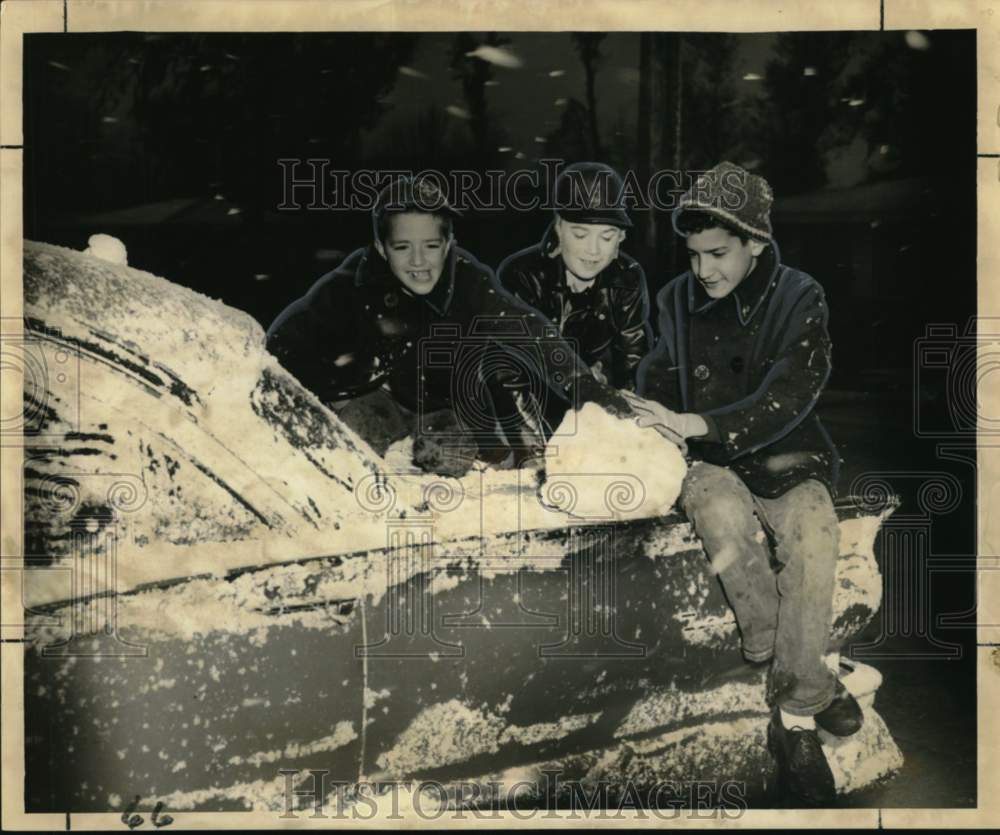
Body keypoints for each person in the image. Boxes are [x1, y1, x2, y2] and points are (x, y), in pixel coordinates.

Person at [627, 161, 859, 804]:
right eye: (695, 254)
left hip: (789, 453)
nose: (704, 270)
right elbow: (661, 369)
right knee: (721, 518)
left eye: (719, 254)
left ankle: (796, 713)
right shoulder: (675, 298)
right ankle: (805, 671)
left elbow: (790, 393)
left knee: (814, 536)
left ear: (756, 242)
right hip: (710, 458)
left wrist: (699, 418)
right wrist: (644, 409)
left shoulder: (800, 294)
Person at [266, 175, 595, 475]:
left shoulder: (467, 279)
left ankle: (512, 464)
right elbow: (281, 347)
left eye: (431, 246)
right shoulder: (350, 287)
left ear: (449, 242)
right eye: (402, 247)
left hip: (437, 408)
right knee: (359, 434)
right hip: (371, 402)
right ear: (382, 248)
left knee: (458, 450)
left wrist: (583, 383)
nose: (418, 261)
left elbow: (527, 328)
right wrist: (342, 386)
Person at [497, 162, 652, 394]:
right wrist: (579, 380)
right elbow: (512, 372)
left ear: (621, 238)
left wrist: (628, 414)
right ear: (558, 228)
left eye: (607, 237)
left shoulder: (626, 278)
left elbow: (633, 361)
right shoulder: (522, 276)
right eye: (580, 235)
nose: (593, 250)